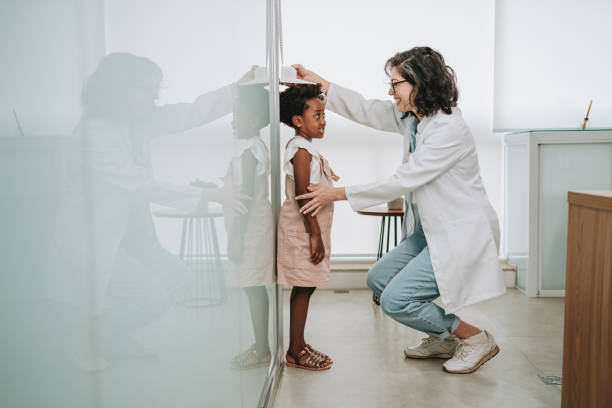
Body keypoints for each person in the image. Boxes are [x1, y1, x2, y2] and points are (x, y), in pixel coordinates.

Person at [292, 46, 506, 374]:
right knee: (379, 279)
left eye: (396, 84)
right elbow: (363, 109)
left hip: (462, 232)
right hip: (433, 230)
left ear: (420, 83)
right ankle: (444, 336)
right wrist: (316, 82)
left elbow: (402, 180)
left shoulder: (448, 129)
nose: (390, 92)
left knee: (396, 301)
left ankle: (475, 338)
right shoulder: (413, 116)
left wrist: (335, 193)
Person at [45, 52, 253, 371]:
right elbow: (139, 183)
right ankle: (83, 340)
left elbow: (190, 113)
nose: (155, 96)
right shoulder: (93, 133)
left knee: (181, 280)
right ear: (120, 89)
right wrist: (212, 194)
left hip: (130, 235)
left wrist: (236, 90)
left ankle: (110, 337)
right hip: (93, 241)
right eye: (148, 88)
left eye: (156, 88)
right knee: (150, 296)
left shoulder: (136, 121)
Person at [277, 84, 337, 371]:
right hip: (303, 231)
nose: (323, 120)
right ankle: (295, 351)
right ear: (298, 121)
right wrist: (315, 235)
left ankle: (298, 343)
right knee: (303, 287)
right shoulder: (300, 149)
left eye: (324, 114)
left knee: (307, 286)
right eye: (317, 114)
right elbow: (303, 193)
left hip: (309, 228)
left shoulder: (305, 147)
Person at [223, 85, 274, 370]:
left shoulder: (250, 151)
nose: (232, 120)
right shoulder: (255, 148)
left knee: (253, 288)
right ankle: (261, 346)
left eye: (237, 115)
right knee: (253, 287)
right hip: (254, 225)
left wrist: (236, 237)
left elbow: (245, 197)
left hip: (250, 228)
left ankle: (262, 350)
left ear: (254, 120)